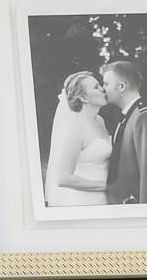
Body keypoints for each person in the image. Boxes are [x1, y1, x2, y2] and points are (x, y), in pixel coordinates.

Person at [101, 57, 147, 204]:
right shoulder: (130, 116)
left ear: (121, 86)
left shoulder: (146, 116)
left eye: (106, 83)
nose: (103, 88)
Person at [43, 69, 112, 207]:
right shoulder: (75, 127)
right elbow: (62, 178)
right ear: (84, 98)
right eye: (96, 87)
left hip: (106, 199)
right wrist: (107, 186)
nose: (103, 89)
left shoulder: (100, 121)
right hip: (84, 202)